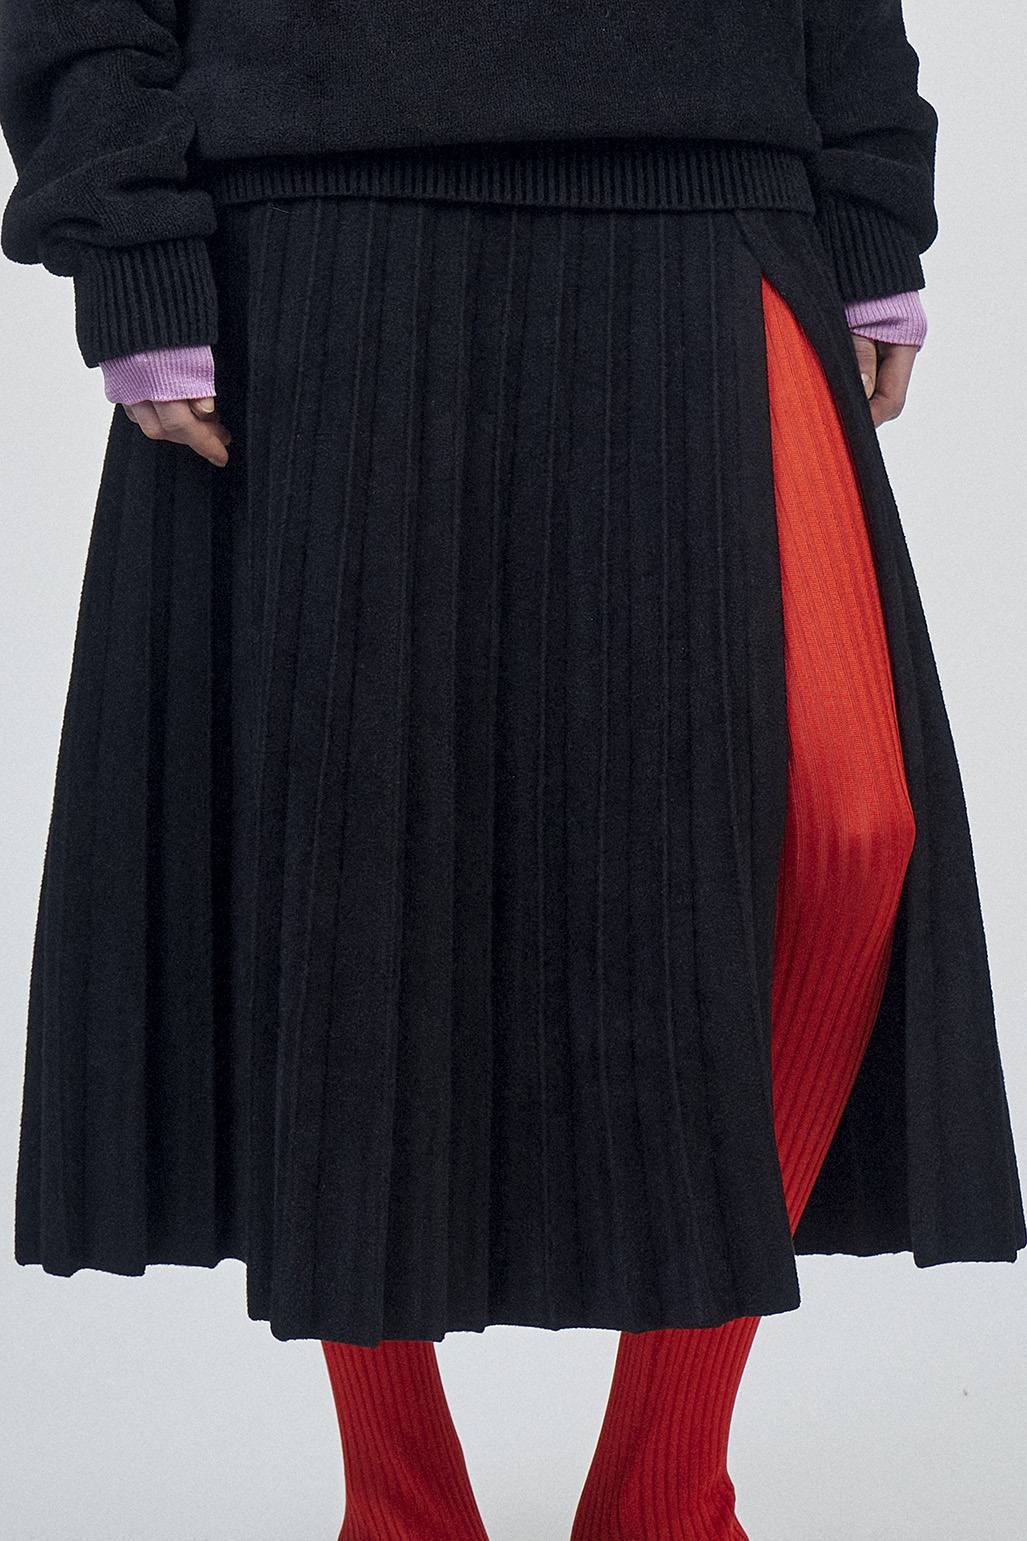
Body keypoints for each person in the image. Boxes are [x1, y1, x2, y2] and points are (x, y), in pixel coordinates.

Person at [1, 4, 1023, 1538]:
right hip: (316, 205)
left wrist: (870, 184)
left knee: (850, 825)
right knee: (349, 873)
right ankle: (400, 1503)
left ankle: (664, 1491)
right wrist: (127, 229)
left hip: (721, 180)